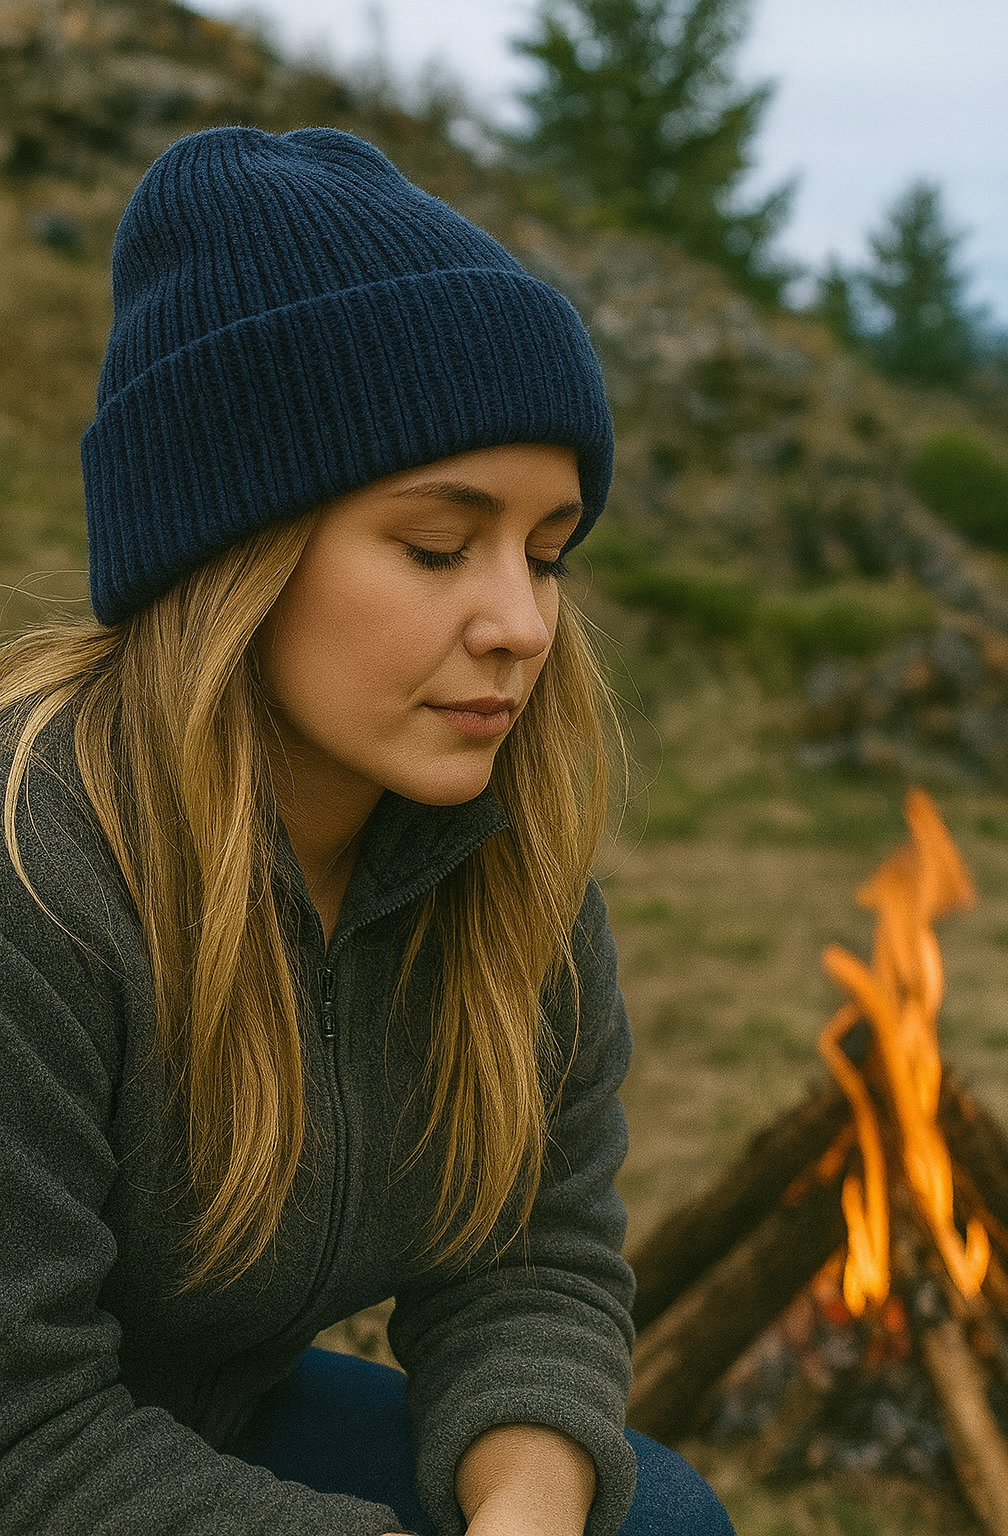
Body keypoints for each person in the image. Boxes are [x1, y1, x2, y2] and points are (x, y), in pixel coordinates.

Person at [0, 127, 735, 1535]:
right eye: (439, 546)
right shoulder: (35, 868)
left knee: (653, 1521)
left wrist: (521, 1513)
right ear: (235, 553)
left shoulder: (499, 858)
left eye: (549, 549)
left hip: (209, 1411)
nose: (520, 625)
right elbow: (23, 1433)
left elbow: (530, 1263)